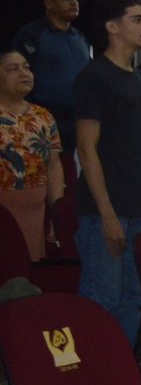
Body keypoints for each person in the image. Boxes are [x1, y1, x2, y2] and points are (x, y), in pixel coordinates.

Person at [73, 0, 141, 343]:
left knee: (133, 298)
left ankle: (120, 366)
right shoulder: (95, 76)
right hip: (105, 210)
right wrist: (106, 213)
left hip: (140, 207)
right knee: (103, 298)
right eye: (137, 19)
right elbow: (86, 149)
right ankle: (95, 368)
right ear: (112, 27)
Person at [0, 50, 66, 261]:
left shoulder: (42, 116)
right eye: (13, 69)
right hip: (3, 210)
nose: (24, 73)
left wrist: (57, 213)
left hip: (34, 213)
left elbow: (53, 167)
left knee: (27, 271)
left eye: (27, 67)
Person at [11, 0, 89, 147]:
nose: (73, 3)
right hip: (42, 119)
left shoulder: (81, 38)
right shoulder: (32, 34)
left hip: (77, 120)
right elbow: (16, 76)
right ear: (49, 4)